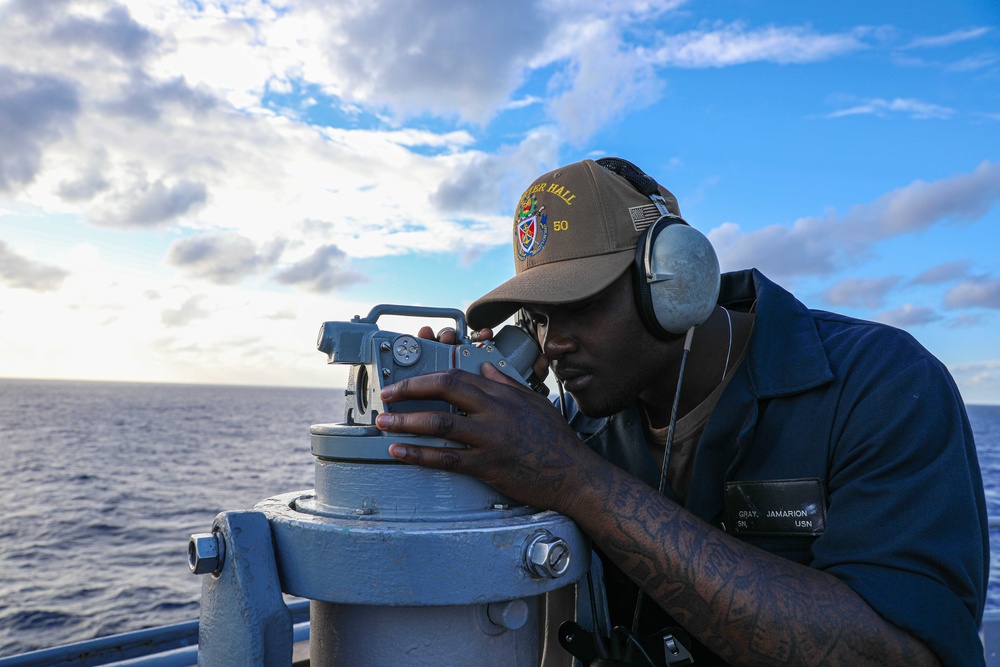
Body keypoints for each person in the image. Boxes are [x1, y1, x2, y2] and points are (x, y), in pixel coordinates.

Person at [374, 158, 987, 666]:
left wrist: (572, 480)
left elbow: (900, 654)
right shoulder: (578, 426)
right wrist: (481, 441)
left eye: (580, 306)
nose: (554, 342)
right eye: (538, 318)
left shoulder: (879, 383)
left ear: (675, 283)